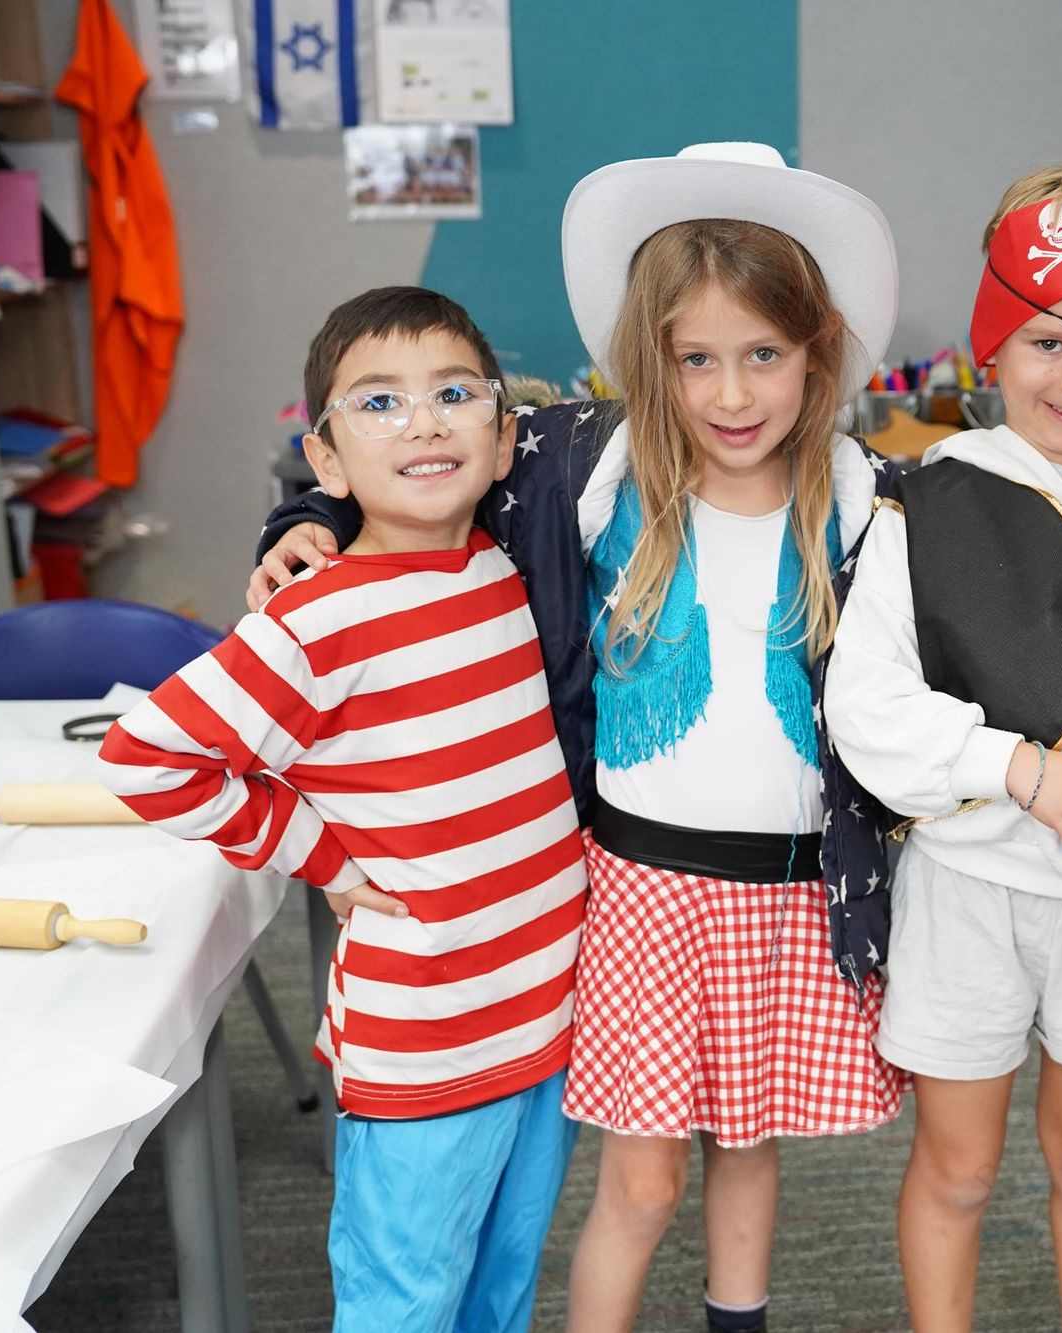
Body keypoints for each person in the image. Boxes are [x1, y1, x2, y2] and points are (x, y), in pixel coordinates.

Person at [247, 143, 905, 1333]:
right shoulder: (581, 465)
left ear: (817, 353)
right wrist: (307, 515)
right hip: (639, 886)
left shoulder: (862, 492)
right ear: (648, 361)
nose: (731, 394)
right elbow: (418, 467)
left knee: (750, 1156)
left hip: (794, 893)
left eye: (763, 355)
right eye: (694, 360)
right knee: (639, 1180)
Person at [102, 286, 585, 1333]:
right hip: (423, 1043)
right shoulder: (314, 619)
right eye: (378, 402)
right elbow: (147, 757)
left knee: (501, 1289)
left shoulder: (505, 568)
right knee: (405, 1299)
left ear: (503, 440)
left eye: (455, 394)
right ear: (324, 462)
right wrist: (322, 853)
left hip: (544, 1021)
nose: (422, 421)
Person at [822, 162, 1062, 1333]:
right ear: (990, 350)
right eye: (1043, 341)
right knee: (957, 1166)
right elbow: (869, 705)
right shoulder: (929, 501)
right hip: (969, 891)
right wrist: (1026, 773)